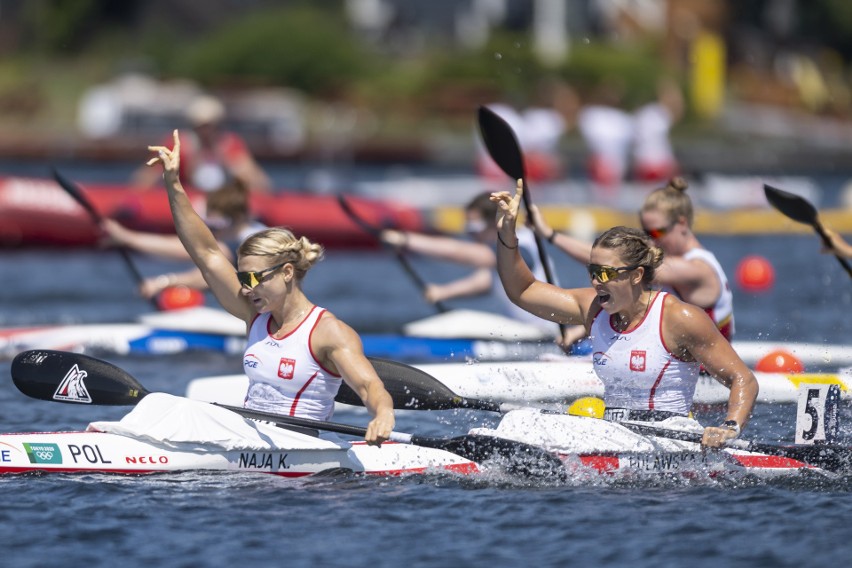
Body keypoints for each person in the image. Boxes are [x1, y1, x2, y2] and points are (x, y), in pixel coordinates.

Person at [145, 130, 395, 445]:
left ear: (287, 272)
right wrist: (174, 184)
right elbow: (206, 253)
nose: (246, 288)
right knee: (164, 407)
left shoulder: (329, 332)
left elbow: (369, 386)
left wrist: (383, 413)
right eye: (242, 278)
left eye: (253, 278)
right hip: (248, 442)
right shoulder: (255, 315)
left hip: (299, 449)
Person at [491, 180, 757, 448]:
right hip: (615, 434)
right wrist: (506, 234)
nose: (596, 282)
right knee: (519, 422)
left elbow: (743, 379)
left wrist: (728, 428)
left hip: (667, 440)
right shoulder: (592, 307)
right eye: (593, 272)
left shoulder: (679, 317)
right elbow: (523, 291)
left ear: (636, 275)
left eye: (606, 273)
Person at [530, 177, 735, 345]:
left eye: (656, 231)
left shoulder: (697, 269)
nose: (651, 239)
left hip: (704, 370)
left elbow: (611, 264)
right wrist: (581, 331)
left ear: (681, 223)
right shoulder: (675, 263)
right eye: (645, 232)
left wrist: (551, 235)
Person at [380, 191, 559, 337]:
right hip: (531, 331)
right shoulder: (508, 250)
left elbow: (459, 252)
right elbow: (486, 282)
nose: (471, 235)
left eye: (474, 228)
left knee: (458, 320)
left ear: (495, 221)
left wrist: (405, 240)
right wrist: (444, 292)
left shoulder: (519, 245)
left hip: (543, 334)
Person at [101, 178, 267, 299]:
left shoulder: (247, 244)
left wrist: (161, 283)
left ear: (237, 218)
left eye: (215, 225)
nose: (211, 232)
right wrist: (128, 239)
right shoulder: (254, 231)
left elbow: (206, 273)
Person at [132, 94, 272, 193]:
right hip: (186, 203)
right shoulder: (177, 144)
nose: (206, 132)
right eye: (200, 127)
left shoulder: (229, 145)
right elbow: (146, 178)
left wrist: (232, 165)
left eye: (210, 126)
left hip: (221, 203)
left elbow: (257, 182)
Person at [631, 78, 684, 183]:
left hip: (646, 162)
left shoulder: (646, 113)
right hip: (656, 164)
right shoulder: (660, 114)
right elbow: (678, 111)